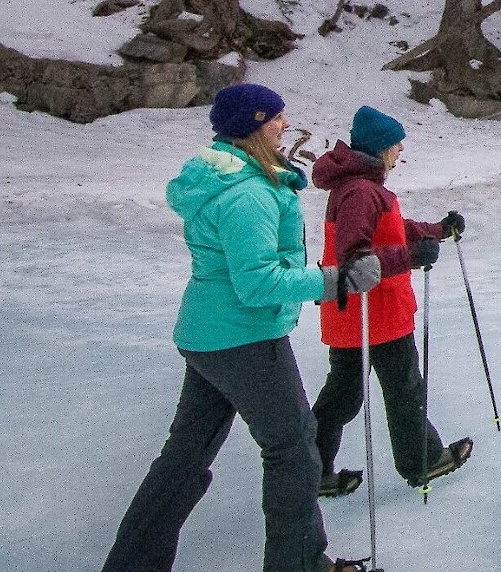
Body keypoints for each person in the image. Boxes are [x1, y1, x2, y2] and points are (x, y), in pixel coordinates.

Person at [102, 83, 382, 572]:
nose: (284, 124)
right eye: (275, 117)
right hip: (243, 338)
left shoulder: (234, 180)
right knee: (294, 450)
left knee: (185, 459)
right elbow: (257, 283)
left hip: (210, 338)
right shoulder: (247, 195)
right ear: (253, 124)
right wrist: (339, 281)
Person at [309, 104, 472, 497]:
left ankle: (309, 470)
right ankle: (422, 461)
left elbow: (392, 231)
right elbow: (355, 260)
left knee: (344, 396)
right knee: (403, 391)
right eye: (397, 144)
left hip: (357, 315)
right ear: (381, 147)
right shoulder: (362, 192)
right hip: (374, 315)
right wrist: (412, 257)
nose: (401, 150)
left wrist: (435, 230)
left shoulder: (360, 188)